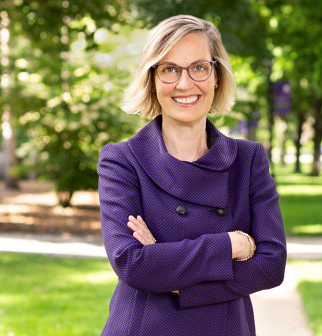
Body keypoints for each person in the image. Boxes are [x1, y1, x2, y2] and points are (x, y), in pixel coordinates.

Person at [97, 14, 286, 336]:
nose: (185, 84)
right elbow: (131, 263)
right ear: (153, 80)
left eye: (198, 67)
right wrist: (230, 245)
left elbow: (271, 265)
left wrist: (174, 279)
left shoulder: (248, 160)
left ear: (216, 77)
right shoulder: (122, 160)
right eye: (169, 69)